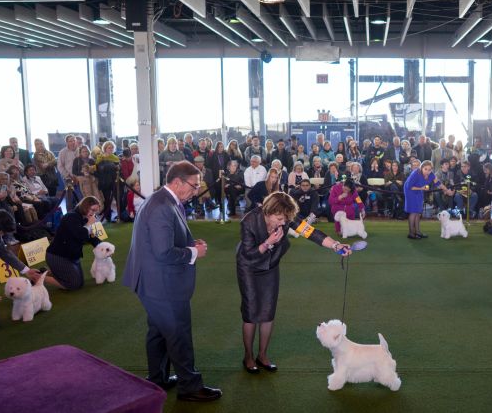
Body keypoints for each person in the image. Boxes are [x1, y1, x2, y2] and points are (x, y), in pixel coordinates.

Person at [122, 161, 222, 402]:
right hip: (161, 283)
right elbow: (163, 252)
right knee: (178, 334)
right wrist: (195, 252)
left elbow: (164, 241)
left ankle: (158, 379)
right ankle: (189, 386)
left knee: (158, 332)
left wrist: (189, 244)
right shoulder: (161, 206)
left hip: (153, 281)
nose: (197, 190)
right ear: (177, 182)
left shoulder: (162, 200)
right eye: (194, 185)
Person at [237, 191, 350, 373]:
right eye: (280, 218)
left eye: (286, 219)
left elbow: (311, 232)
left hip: (270, 266)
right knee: (251, 312)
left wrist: (336, 245)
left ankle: (263, 355)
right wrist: (267, 243)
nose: (283, 223)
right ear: (268, 212)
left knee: (268, 311)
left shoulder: (287, 216)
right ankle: (248, 357)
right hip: (249, 266)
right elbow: (248, 254)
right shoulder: (249, 221)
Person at [44, 197, 102, 290]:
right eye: (93, 210)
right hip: (58, 256)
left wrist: (102, 247)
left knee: (80, 282)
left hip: (72, 256)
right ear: (85, 207)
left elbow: (90, 237)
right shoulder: (71, 217)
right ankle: (39, 278)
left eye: (96, 211)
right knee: (74, 284)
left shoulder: (84, 217)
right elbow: (81, 235)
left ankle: (46, 272)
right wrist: (89, 224)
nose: (94, 213)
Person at [404, 161, 452, 239]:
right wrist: (421, 188)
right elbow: (409, 186)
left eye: (429, 170)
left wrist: (446, 190)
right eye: (425, 169)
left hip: (419, 190)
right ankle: (411, 233)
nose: (427, 171)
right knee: (413, 211)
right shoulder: (415, 174)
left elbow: (438, 183)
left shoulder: (431, 175)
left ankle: (418, 232)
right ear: (421, 168)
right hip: (410, 191)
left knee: (418, 211)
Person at [95, 141, 120, 222]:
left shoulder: (115, 158)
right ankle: (108, 217)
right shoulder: (100, 157)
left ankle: (120, 216)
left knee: (118, 198)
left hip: (114, 181)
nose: (111, 149)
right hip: (105, 182)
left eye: (112, 148)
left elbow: (118, 170)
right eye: (109, 147)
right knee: (107, 200)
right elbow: (99, 170)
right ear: (105, 148)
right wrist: (111, 166)